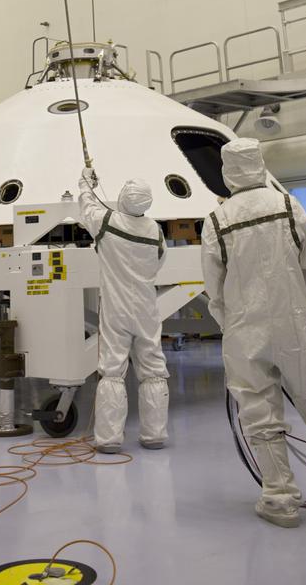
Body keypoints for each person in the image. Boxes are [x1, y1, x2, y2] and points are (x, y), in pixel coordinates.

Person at [202, 138, 306, 529]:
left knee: (259, 413)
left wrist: (232, 326)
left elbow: (214, 287)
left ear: (227, 172)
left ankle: (280, 500)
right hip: (295, 322)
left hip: (244, 328)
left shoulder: (216, 220)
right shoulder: (288, 205)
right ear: (259, 164)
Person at [78, 167, 169, 452]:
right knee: (153, 369)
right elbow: (159, 260)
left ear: (123, 198)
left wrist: (86, 182)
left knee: (113, 371)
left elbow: (87, 206)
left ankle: (109, 439)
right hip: (146, 307)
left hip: (116, 308)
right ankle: (154, 435)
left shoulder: (106, 222)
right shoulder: (155, 230)